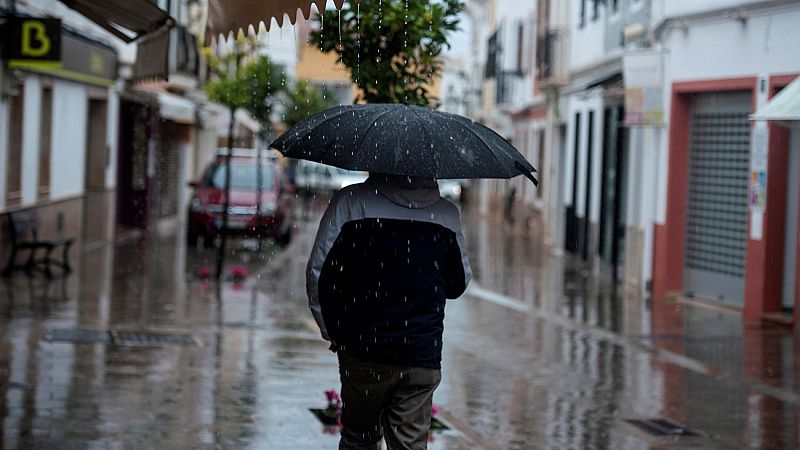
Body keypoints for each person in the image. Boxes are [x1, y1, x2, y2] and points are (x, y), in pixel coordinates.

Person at [307, 173, 472, 450]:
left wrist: (333, 332)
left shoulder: (350, 202)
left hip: (363, 351)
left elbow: (320, 275)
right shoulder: (446, 214)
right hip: (420, 355)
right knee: (409, 445)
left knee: (359, 439)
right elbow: (458, 284)